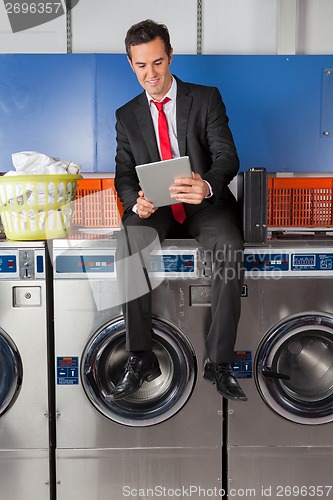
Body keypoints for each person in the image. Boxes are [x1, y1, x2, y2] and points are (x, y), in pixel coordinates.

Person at [111, 19, 247, 402]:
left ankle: (218, 362)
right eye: (141, 65)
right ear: (131, 64)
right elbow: (123, 173)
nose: (150, 74)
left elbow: (226, 156)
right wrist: (134, 200)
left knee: (230, 250)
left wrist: (204, 185)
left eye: (157, 62)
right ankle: (141, 357)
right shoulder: (126, 115)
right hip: (158, 208)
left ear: (170, 57)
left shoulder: (205, 98)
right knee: (129, 244)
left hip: (204, 205)